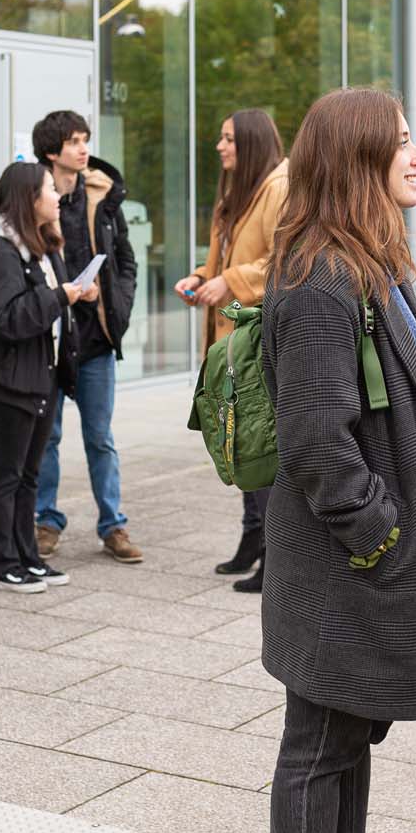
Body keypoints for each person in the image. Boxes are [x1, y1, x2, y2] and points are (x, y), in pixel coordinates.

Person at [260, 87, 416, 833]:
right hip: (343, 566)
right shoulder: (320, 279)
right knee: (315, 753)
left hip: (358, 565)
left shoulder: (366, 263)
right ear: (358, 160)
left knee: (346, 744)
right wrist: (383, 539)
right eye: (402, 143)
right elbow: (316, 443)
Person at [0, 160, 98, 594]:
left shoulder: (40, 244)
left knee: (29, 473)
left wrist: (75, 293)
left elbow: (48, 302)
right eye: (49, 188)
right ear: (29, 198)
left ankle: (26, 555)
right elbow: (6, 317)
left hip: (41, 374)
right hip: (6, 379)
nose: (57, 196)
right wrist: (60, 296)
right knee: (6, 472)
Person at [175, 107, 289, 593]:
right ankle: (252, 539)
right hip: (230, 340)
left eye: (228, 139)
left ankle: (273, 555)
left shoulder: (281, 188)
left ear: (252, 143)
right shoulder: (238, 191)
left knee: (258, 445)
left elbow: (285, 257)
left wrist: (230, 282)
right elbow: (220, 258)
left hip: (256, 342)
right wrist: (202, 277)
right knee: (238, 439)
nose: (220, 147)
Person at [30, 111, 143, 565]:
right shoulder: (34, 199)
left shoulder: (102, 197)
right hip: (51, 341)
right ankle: (45, 522)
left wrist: (115, 304)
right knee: (47, 437)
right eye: (73, 142)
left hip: (94, 339)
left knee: (100, 437)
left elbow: (127, 263)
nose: (83, 149)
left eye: (85, 140)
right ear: (51, 153)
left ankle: (113, 525)